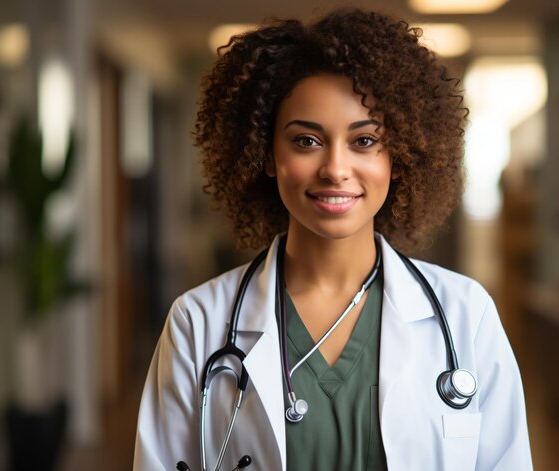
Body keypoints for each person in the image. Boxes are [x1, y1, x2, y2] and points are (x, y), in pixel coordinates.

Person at [133, 8, 532, 471]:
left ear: (397, 157)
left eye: (364, 142)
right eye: (307, 141)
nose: (336, 169)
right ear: (266, 154)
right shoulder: (198, 324)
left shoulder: (467, 314)